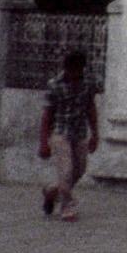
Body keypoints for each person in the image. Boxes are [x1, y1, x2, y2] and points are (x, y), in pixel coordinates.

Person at [38, 50, 101, 219]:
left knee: (79, 169)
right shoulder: (55, 85)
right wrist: (44, 142)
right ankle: (67, 207)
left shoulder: (88, 83)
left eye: (77, 71)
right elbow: (47, 115)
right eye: (70, 71)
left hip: (79, 132)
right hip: (60, 132)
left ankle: (51, 190)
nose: (74, 75)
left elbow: (90, 108)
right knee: (66, 171)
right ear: (65, 68)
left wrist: (95, 134)